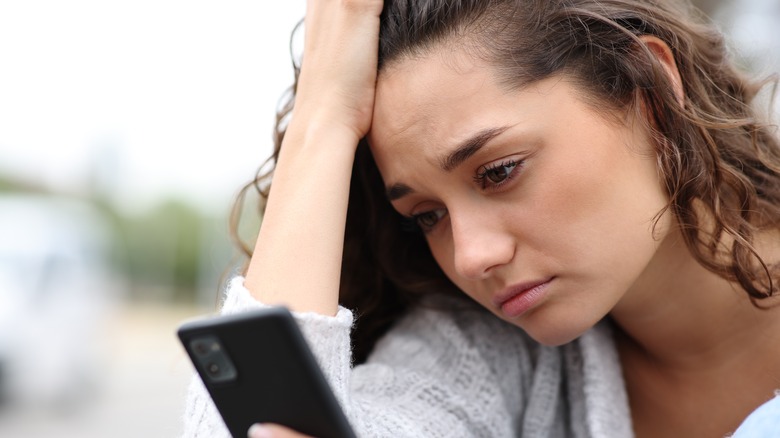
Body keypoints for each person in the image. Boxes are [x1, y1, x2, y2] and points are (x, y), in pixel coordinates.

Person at [182, 0, 780, 436]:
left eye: (499, 171)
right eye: (427, 215)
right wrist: (323, 118)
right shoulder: (488, 354)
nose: (471, 257)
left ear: (648, 93)